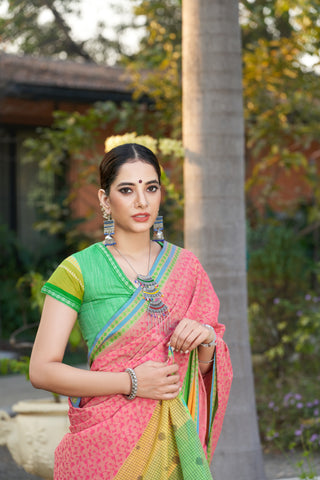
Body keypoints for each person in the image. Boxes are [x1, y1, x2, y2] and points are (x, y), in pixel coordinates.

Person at [29, 143, 233, 480]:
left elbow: (204, 370)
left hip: (176, 447)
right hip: (106, 448)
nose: (142, 201)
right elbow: (41, 371)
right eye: (127, 189)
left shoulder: (188, 267)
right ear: (105, 199)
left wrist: (207, 341)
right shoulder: (79, 270)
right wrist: (132, 382)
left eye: (150, 188)